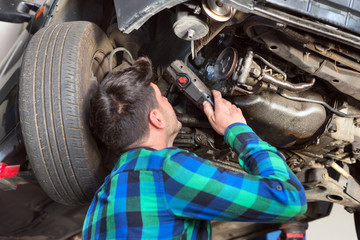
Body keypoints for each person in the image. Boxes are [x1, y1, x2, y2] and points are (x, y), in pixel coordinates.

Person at [82, 57, 307, 239]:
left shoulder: (97, 207)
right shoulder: (167, 170)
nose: (168, 101)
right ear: (156, 119)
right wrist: (237, 129)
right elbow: (288, 199)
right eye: (163, 98)